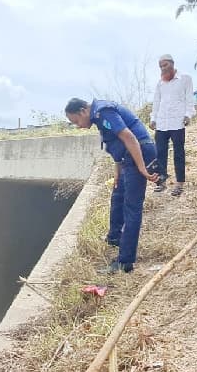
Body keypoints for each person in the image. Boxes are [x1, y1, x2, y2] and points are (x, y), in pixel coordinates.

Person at [65, 98, 158, 273]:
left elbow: (129, 138)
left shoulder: (103, 112)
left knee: (132, 207)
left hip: (139, 153)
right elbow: (117, 145)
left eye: (76, 121)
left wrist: (142, 168)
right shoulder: (98, 118)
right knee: (117, 196)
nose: (78, 125)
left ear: (83, 110)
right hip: (127, 158)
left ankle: (125, 261)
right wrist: (117, 173)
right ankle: (114, 238)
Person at [149, 54, 195, 197]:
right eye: (161, 66)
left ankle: (179, 183)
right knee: (160, 153)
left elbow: (189, 99)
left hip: (177, 122)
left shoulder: (185, 79)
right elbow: (156, 102)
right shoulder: (160, 83)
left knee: (178, 153)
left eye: (165, 65)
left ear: (172, 64)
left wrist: (188, 114)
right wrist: (153, 118)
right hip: (162, 123)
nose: (163, 68)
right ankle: (161, 182)